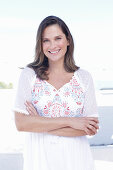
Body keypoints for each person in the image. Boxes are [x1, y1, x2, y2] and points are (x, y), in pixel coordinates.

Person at [14, 15, 99, 170]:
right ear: (40, 44)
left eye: (58, 38)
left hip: (77, 159)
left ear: (68, 40)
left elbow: (90, 128)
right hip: (40, 159)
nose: (52, 45)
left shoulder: (84, 78)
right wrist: (70, 121)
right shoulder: (29, 75)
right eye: (46, 40)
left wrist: (38, 122)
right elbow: (21, 123)